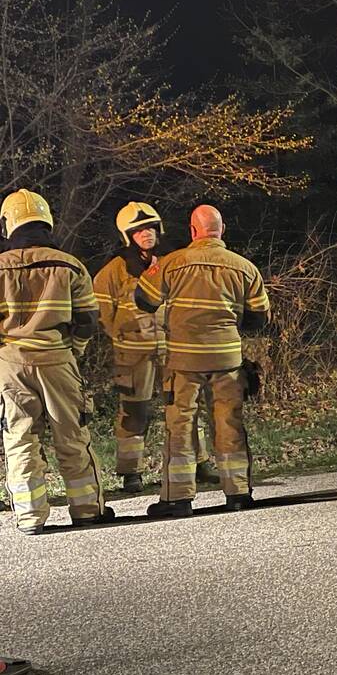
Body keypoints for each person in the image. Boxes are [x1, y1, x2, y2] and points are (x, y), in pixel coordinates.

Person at [135, 204, 270, 517]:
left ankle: (177, 499)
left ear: (193, 231)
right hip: (227, 359)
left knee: (180, 426)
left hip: (184, 361)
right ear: (221, 230)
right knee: (229, 423)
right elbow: (259, 318)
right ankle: (238, 493)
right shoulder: (244, 267)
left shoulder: (171, 264)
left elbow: (144, 300)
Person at [0, 189, 114, 534]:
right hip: (57, 358)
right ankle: (86, 509)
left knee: (19, 438)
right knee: (72, 434)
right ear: (45, 220)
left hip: (10, 363)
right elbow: (88, 319)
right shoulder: (69, 265)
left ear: (7, 225)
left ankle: (30, 516)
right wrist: (74, 350)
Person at [94, 202, 220, 493]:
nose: (146, 234)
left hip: (173, 348)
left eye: (150, 228)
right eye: (138, 230)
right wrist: (121, 336)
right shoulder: (114, 270)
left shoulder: (172, 262)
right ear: (127, 236)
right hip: (133, 355)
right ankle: (131, 472)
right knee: (132, 411)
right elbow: (98, 311)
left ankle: (200, 462)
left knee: (184, 407)